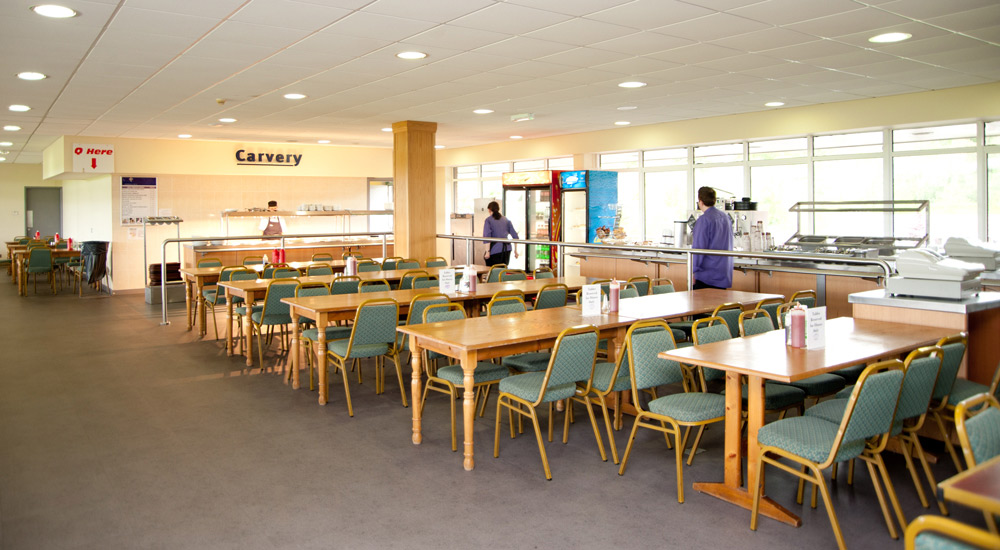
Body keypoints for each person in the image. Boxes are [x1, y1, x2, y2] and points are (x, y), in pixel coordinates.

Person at [691, 186, 734, 289]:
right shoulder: (726, 217)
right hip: (723, 274)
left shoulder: (704, 220)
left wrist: (693, 270)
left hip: (707, 276)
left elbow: (699, 249)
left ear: (700, 201)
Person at [482, 201, 518, 267]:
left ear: (489, 210)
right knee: (503, 270)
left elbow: (487, 237)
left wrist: (487, 252)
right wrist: (516, 251)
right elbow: (515, 236)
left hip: (495, 250)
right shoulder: (506, 219)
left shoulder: (488, 220)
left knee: (492, 270)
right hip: (507, 249)